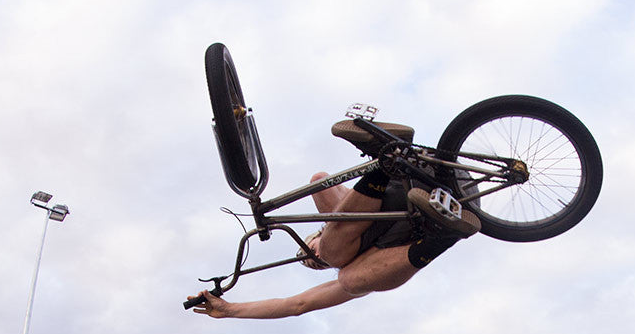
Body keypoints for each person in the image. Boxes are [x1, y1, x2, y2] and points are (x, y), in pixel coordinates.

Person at [190, 121, 479, 320]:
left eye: (309, 251)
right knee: (351, 280)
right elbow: (296, 305)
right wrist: (229, 310)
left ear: (315, 235)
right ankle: (443, 237)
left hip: (424, 171)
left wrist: (330, 226)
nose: (317, 257)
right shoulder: (354, 266)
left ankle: (387, 156)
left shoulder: (337, 221)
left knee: (322, 197)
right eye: (316, 264)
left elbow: (320, 180)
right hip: (453, 209)